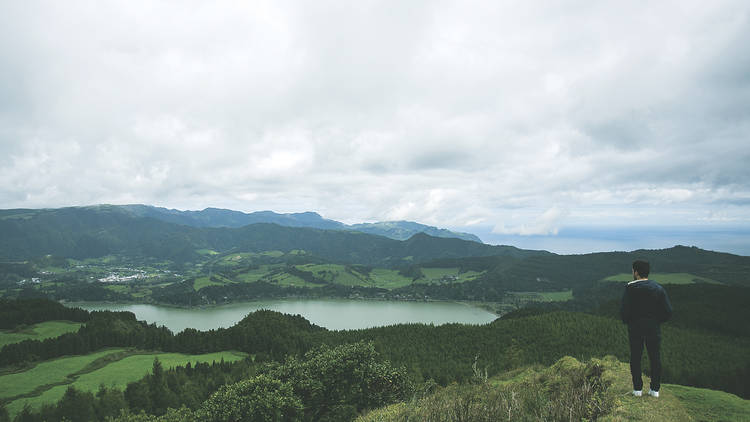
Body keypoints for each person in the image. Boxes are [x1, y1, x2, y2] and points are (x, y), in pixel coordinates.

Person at [620, 260, 672, 398]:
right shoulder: (658, 288)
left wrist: (628, 321)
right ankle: (655, 390)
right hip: (653, 327)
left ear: (636, 272)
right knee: (655, 357)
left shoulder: (630, 288)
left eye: (632, 270)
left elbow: (624, 311)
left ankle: (637, 389)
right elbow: (668, 311)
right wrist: (657, 321)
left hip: (635, 327)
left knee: (636, 357)